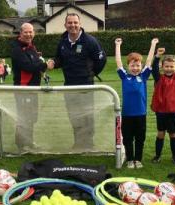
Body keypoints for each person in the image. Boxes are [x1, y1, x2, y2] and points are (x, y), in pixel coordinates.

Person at [50, 13, 107, 151]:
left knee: (87, 116)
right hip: (69, 86)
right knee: (74, 116)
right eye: (70, 23)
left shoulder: (90, 41)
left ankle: (88, 144)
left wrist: (91, 74)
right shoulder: (63, 41)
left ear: (80, 24)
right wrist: (53, 62)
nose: (73, 25)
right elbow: (59, 59)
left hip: (86, 86)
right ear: (65, 25)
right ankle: (78, 143)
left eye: (75, 22)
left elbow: (101, 60)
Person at [115, 37, 158, 169]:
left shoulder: (143, 76)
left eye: (138, 65)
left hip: (140, 114)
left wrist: (153, 44)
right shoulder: (124, 76)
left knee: (140, 139)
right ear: (128, 66)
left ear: (141, 66)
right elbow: (118, 62)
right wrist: (118, 46)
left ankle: (138, 159)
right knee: (127, 139)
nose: (135, 68)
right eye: (133, 65)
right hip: (127, 115)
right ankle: (130, 159)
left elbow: (149, 61)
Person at [11, 22, 51, 151]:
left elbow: (37, 61)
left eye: (31, 32)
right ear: (21, 33)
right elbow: (28, 67)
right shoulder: (16, 49)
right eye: (26, 32)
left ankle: (29, 142)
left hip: (33, 89)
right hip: (23, 89)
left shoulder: (31, 47)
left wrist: (42, 63)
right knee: (23, 118)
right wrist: (45, 65)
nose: (29, 34)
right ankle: (20, 146)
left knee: (32, 117)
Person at [150, 46, 175, 164]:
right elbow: (153, 68)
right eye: (167, 66)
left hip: (174, 111)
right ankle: (157, 156)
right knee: (160, 133)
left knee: (173, 134)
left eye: (171, 66)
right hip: (161, 111)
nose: (169, 68)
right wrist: (157, 56)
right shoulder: (158, 78)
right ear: (162, 67)